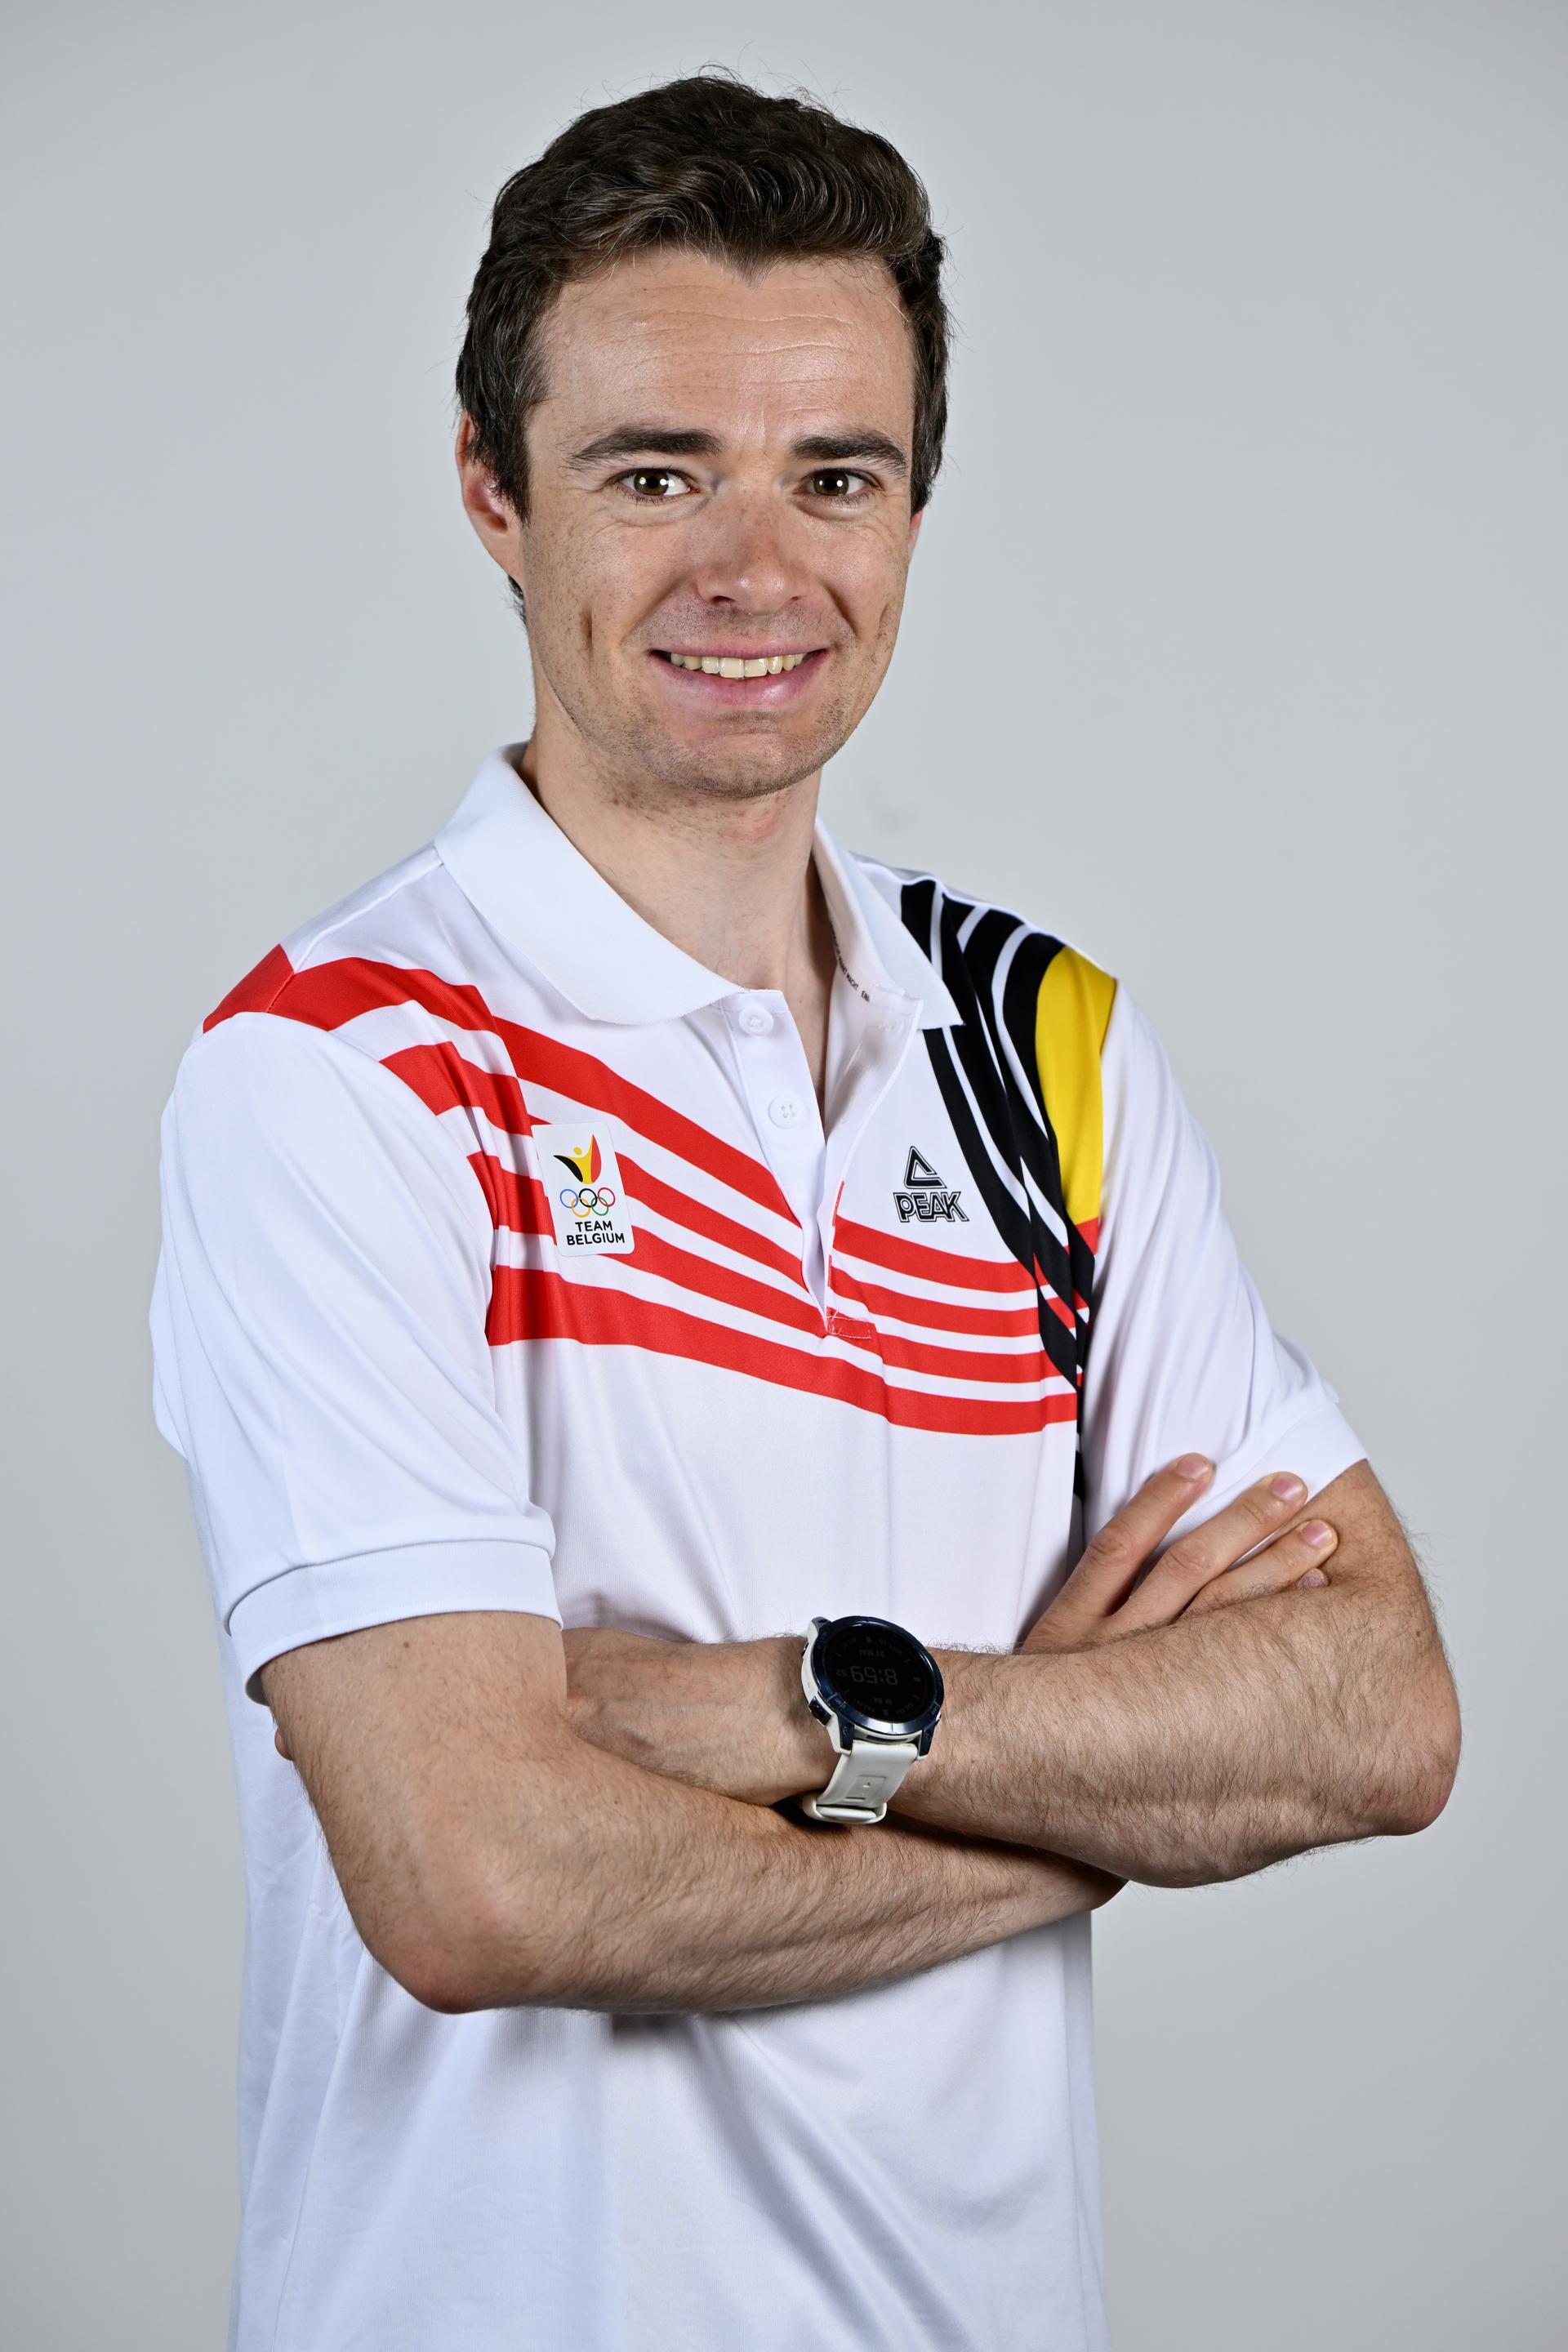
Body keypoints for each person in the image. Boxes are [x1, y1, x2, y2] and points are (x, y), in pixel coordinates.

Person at [149, 70, 1460, 2352]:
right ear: (494, 494)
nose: (758, 570)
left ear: (915, 510)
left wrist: (801, 1712)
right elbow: (481, 1878)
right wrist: (1104, 1786)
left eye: (834, 476)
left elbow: (1373, 1712)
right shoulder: (341, 1074)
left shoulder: (1046, 1054)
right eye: (656, 474)